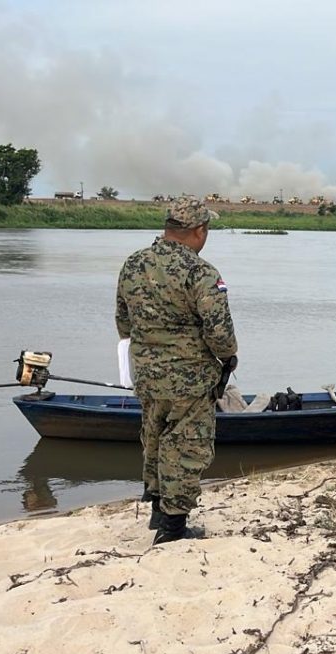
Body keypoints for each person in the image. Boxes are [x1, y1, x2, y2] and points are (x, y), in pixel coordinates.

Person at [115, 195, 237, 545]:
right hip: (190, 379)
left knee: (153, 439)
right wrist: (229, 358)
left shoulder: (133, 264)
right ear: (198, 230)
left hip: (147, 374)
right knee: (185, 448)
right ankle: (173, 529)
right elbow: (219, 334)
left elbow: (123, 321)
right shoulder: (200, 272)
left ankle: (156, 511)